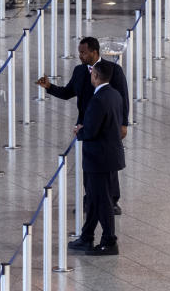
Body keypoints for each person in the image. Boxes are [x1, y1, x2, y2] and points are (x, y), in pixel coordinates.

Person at [37, 36, 128, 213]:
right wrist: (49, 87)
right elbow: (68, 92)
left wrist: (123, 124)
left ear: (95, 52)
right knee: (90, 163)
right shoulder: (79, 71)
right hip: (87, 126)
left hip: (108, 126)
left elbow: (122, 97)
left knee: (108, 163)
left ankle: (112, 199)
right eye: (79, 52)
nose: (80, 56)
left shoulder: (113, 70)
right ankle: (91, 198)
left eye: (84, 53)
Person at [67, 60, 126, 255]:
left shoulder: (99, 99)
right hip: (109, 157)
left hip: (99, 159)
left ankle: (109, 241)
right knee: (93, 199)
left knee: (102, 201)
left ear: (95, 76)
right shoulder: (114, 94)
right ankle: (87, 236)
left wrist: (79, 131)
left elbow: (91, 131)